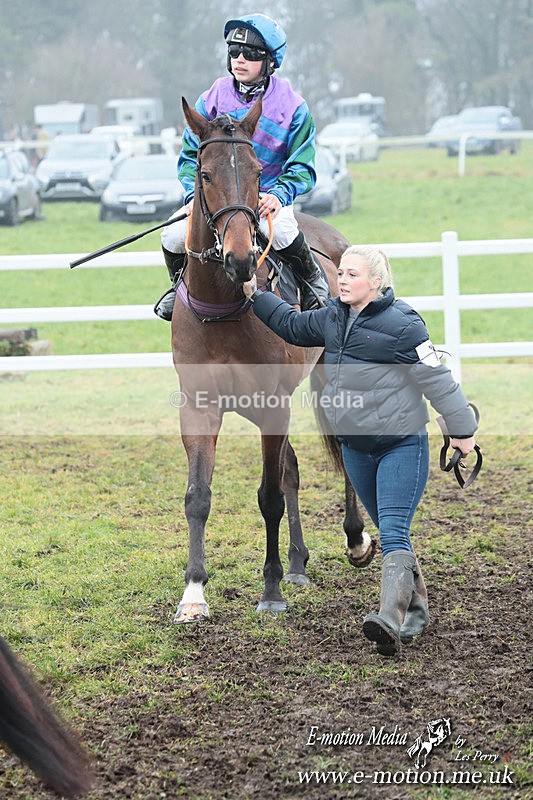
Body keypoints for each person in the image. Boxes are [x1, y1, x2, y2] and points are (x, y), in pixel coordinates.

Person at [243, 245, 479, 656]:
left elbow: (437, 380)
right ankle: (416, 610)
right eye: (341, 274)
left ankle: (389, 617)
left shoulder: (405, 325)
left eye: (352, 274)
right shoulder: (334, 316)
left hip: (400, 445)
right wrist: (253, 293)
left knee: (389, 530)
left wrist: (462, 431)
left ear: (376, 282)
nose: (342, 280)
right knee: (395, 532)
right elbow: (293, 326)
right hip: (355, 448)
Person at [155, 12, 329, 321]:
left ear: (270, 61)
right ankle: (176, 288)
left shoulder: (294, 107)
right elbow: (188, 159)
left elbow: (303, 166)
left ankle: (313, 283)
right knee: (171, 234)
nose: (240, 59)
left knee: (284, 231)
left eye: (250, 54)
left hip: (265, 198)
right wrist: (192, 197)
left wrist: (280, 195)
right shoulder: (210, 99)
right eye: (234, 52)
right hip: (216, 198)